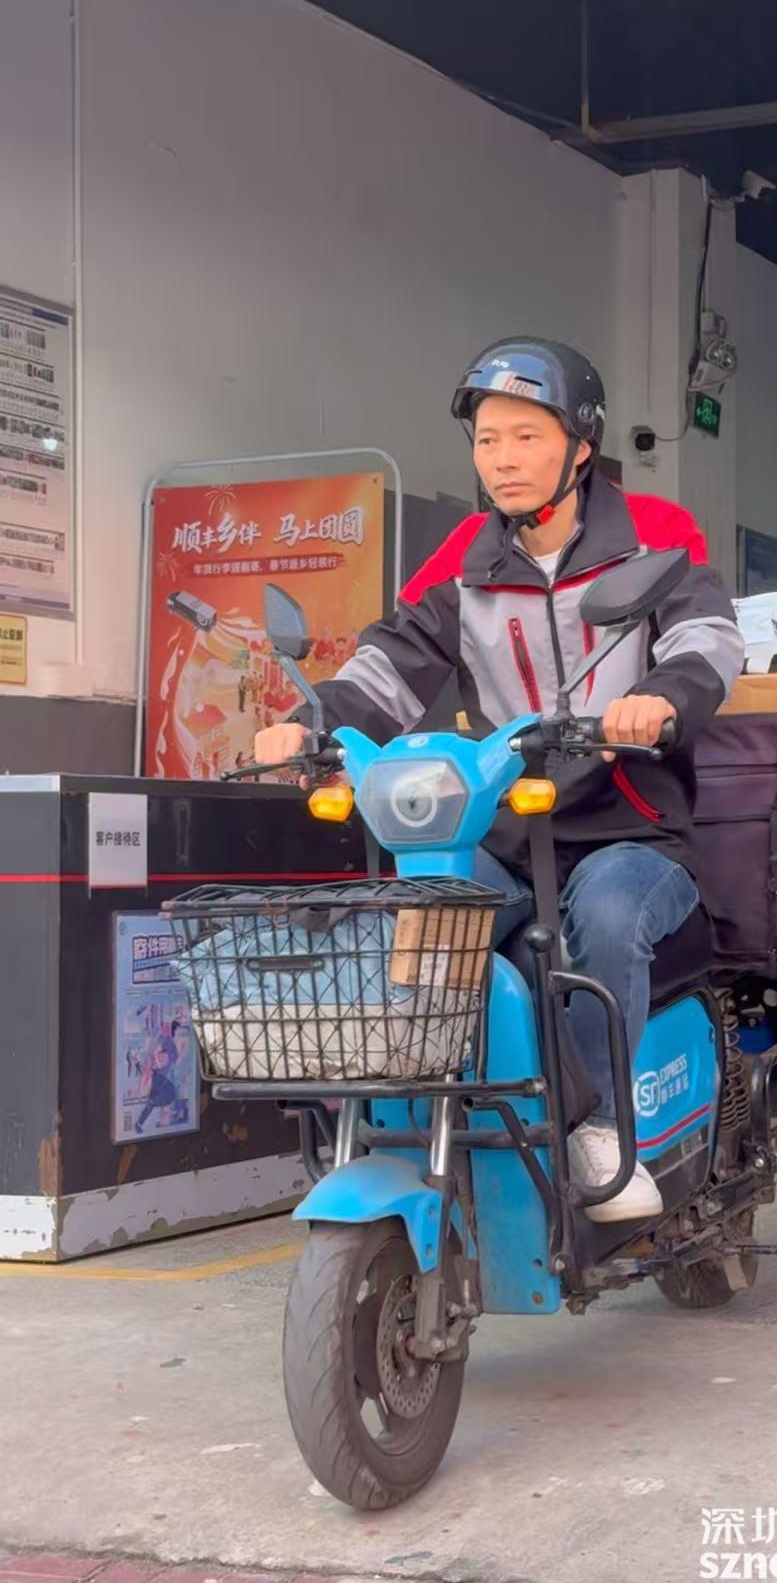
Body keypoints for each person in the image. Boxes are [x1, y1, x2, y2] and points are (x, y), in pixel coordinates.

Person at [255, 338, 743, 1221]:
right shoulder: (466, 557)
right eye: (487, 440)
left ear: (581, 445)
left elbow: (706, 638)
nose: (503, 459)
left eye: (526, 436)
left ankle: (602, 1129)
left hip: (631, 829)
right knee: (420, 912)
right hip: (505, 827)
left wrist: (662, 698)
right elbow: (390, 664)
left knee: (604, 917)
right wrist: (312, 722)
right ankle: (415, 1118)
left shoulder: (655, 534)